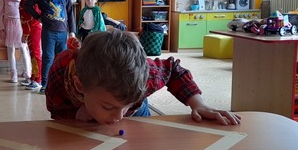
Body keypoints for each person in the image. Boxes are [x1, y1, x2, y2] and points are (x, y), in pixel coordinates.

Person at [45, 29, 241, 126]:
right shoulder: (61, 71)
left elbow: (174, 70)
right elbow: (56, 111)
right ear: (80, 86)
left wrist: (199, 104)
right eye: (109, 107)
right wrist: (74, 115)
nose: (118, 117)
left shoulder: (146, 74)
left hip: (138, 113)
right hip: (81, 117)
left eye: (125, 106)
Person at [22, 0, 75, 93]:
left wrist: (72, 31)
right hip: (48, 32)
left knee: (62, 59)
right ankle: (45, 84)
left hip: (63, 32)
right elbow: (27, 5)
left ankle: (61, 83)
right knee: (48, 57)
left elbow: (70, 12)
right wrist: (38, 17)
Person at [0, 0, 30, 84]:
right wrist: (1, 28)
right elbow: (0, 13)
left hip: (21, 24)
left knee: (23, 48)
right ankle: (13, 73)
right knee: (10, 49)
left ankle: (27, 72)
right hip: (9, 25)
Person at [17, 0, 42, 91]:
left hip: (32, 30)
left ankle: (38, 80)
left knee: (35, 54)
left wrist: (25, 34)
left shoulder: (25, 1)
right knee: (33, 53)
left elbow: (27, 20)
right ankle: (33, 77)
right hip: (37, 28)